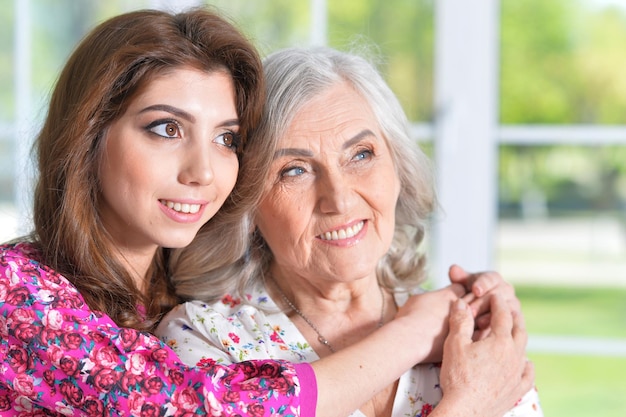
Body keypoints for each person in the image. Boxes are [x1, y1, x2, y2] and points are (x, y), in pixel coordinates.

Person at [0, 8, 531, 417]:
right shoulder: (16, 290)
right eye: (166, 128)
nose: (204, 172)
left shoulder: (163, 297)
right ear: (86, 136)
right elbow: (212, 407)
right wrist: (428, 351)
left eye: (226, 138)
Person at [157, 46, 542, 417]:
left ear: (399, 170)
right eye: (294, 170)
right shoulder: (205, 339)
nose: (338, 200)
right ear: (249, 204)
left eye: (361, 155)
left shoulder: (469, 331)